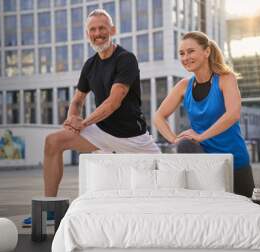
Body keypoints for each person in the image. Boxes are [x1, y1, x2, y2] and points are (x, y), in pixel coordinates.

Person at [23, 9, 160, 226]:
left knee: (164, 185)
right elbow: (77, 100)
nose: (98, 33)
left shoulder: (126, 59)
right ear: (87, 34)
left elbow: (113, 103)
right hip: (102, 133)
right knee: (53, 141)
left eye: (102, 28)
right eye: (93, 30)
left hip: (133, 137)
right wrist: (72, 121)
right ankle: (49, 208)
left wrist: (83, 123)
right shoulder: (90, 65)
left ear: (112, 30)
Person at [154, 31, 255, 197]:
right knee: (184, 145)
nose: (186, 57)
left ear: (207, 52)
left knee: (247, 214)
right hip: (204, 163)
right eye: (182, 53)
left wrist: (201, 136)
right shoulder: (183, 86)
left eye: (191, 51)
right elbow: (158, 116)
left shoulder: (225, 79)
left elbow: (233, 114)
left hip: (233, 160)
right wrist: (173, 139)